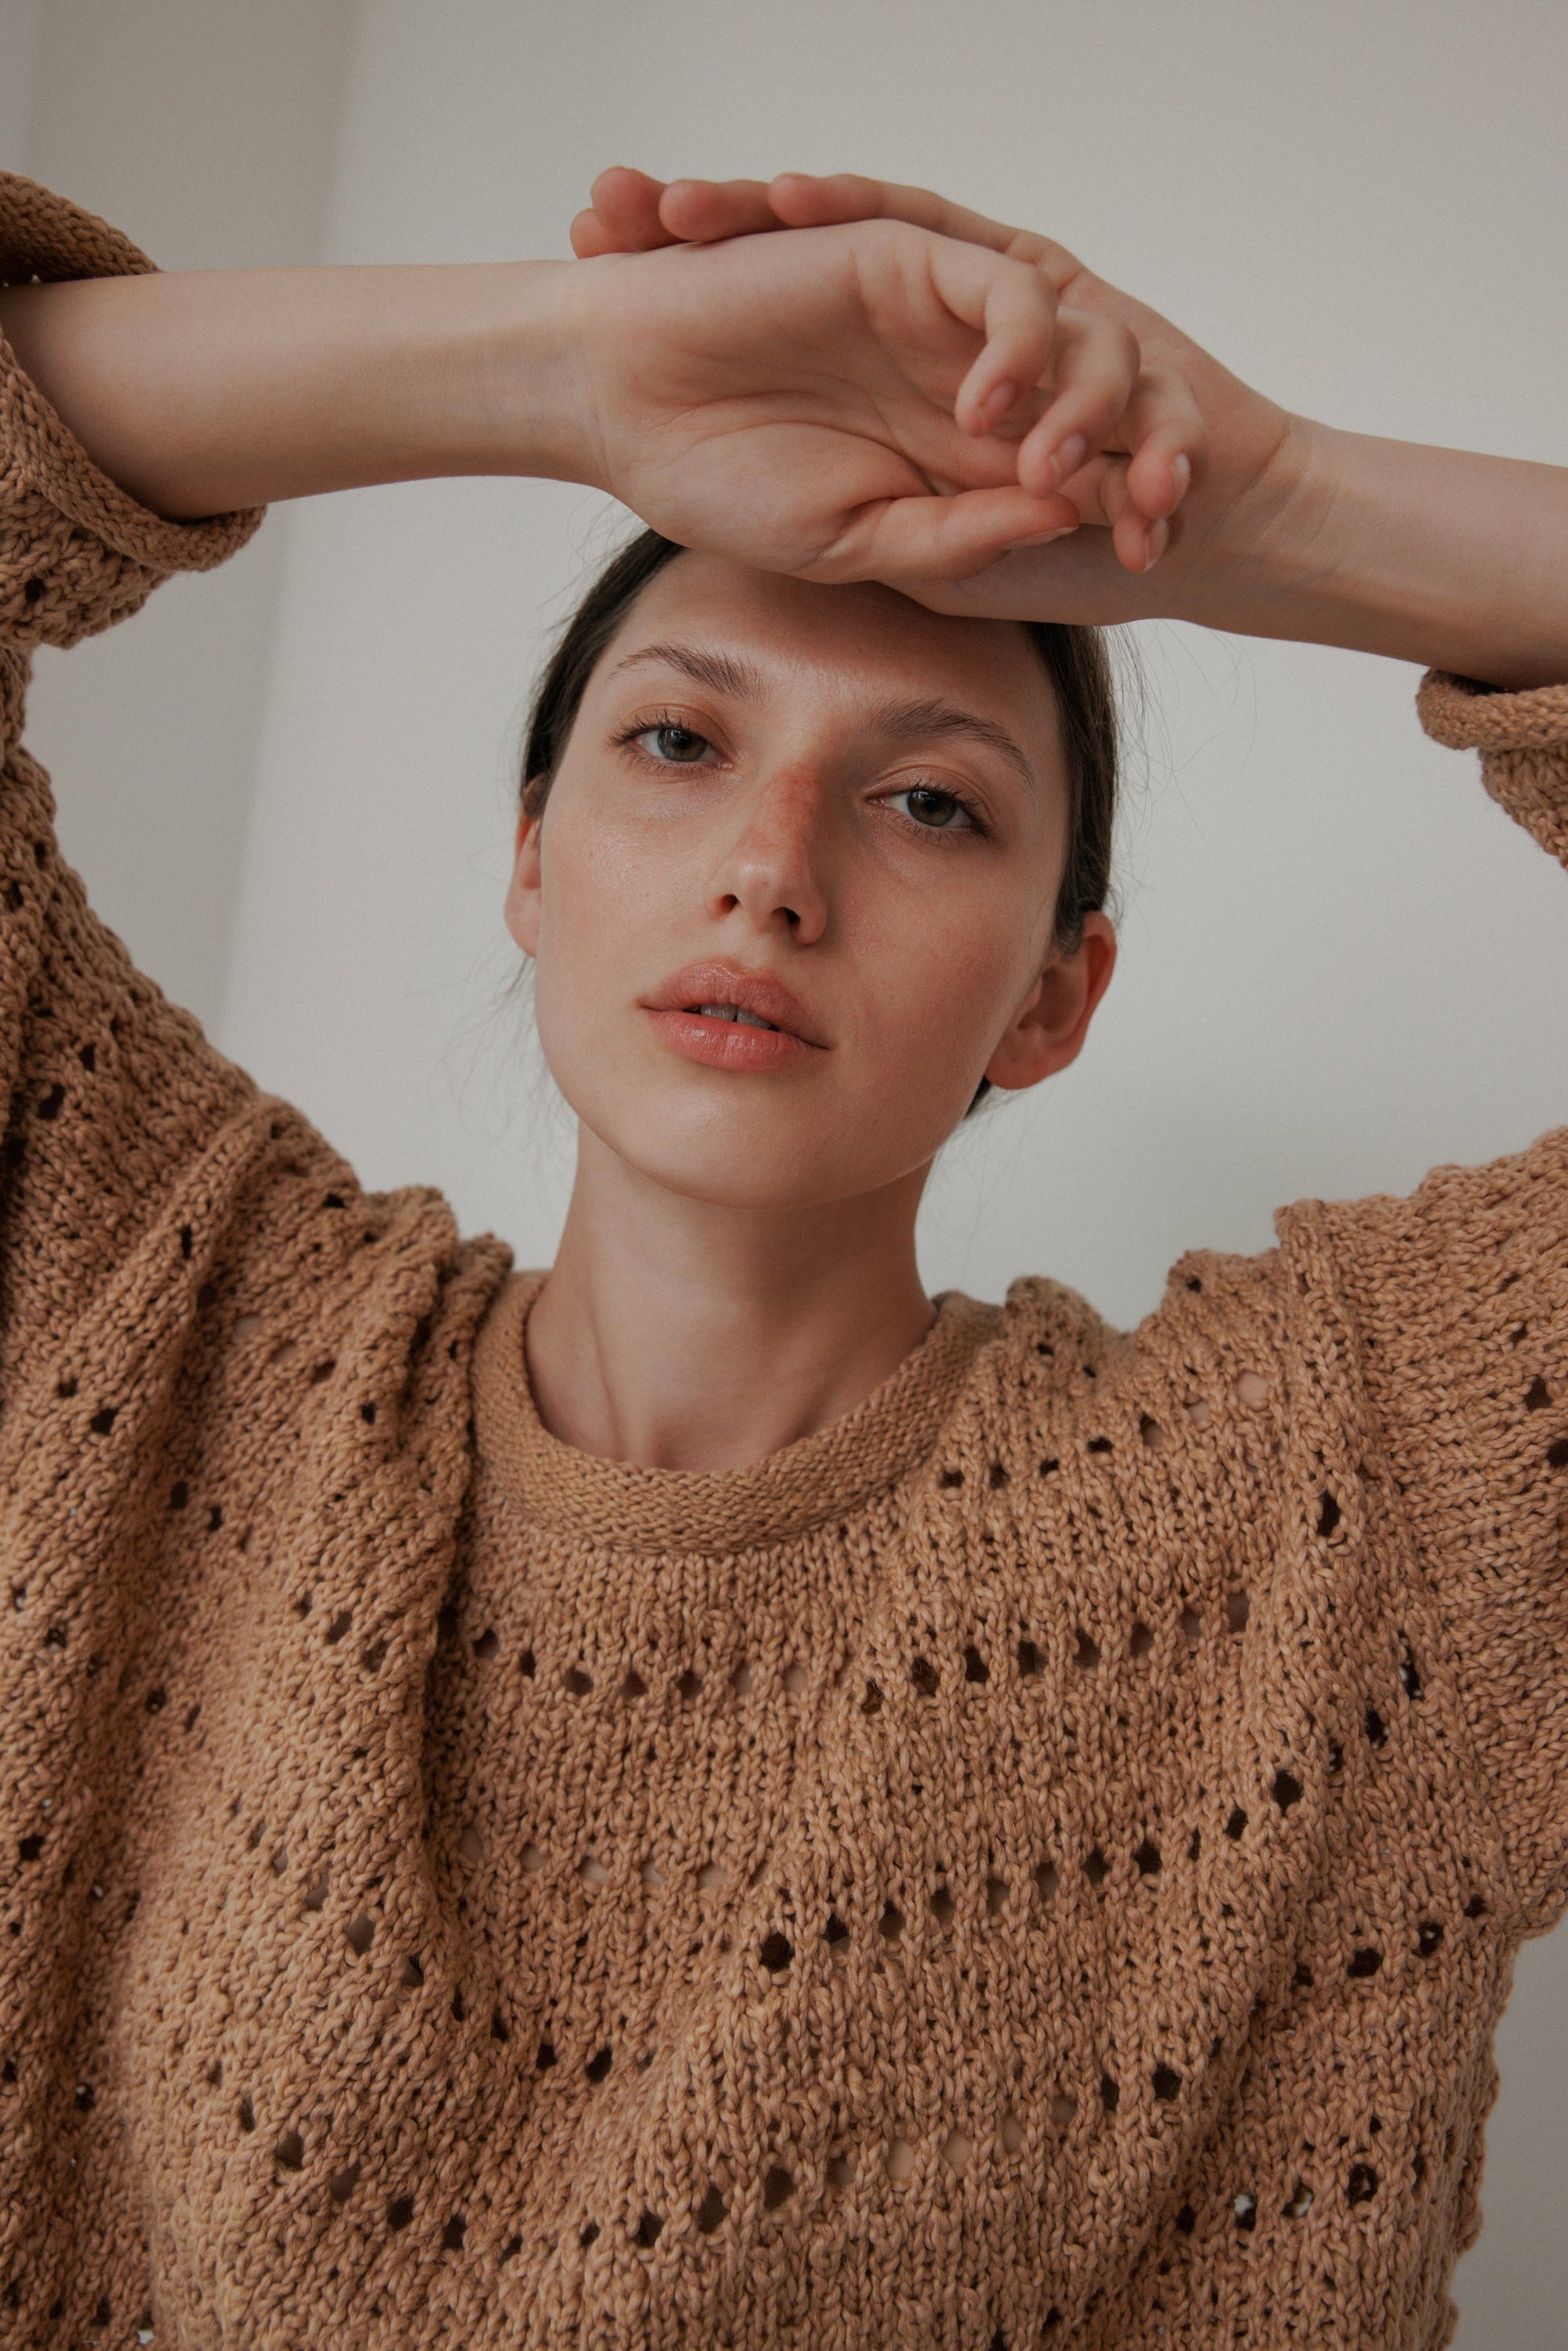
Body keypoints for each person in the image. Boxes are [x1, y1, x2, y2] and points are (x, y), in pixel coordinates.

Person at [0, 155, 1562, 2351]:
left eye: (926, 800)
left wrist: (1252, 505)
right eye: (676, 741)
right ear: (532, 863)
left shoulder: (1362, 1515)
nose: (767, 869)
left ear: (1053, 993)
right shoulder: (146, 1306)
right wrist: (568, 370)